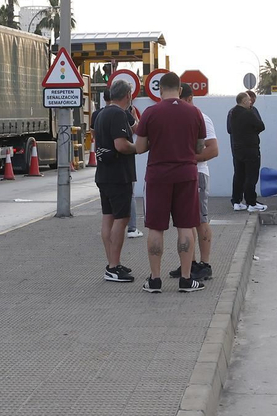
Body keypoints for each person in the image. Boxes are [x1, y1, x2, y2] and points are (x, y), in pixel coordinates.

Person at [130, 71, 206, 294]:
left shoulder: (151, 113)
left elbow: (141, 148)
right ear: (180, 90)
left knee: (156, 228)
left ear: (160, 90)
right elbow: (200, 148)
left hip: (157, 177)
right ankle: (185, 279)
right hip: (186, 175)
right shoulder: (194, 112)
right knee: (185, 227)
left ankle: (154, 280)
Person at [92, 78, 139, 282]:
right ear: (128, 96)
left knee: (108, 217)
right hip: (119, 175)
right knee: (121, 219)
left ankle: (112, 264)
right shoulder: (119, 114)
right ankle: (113, 266)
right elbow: (121, 145)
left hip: (104, 174)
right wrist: (137, 148)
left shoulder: (102, 114)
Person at [170, 83, 218, 281]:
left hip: (198, 174)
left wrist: (188, 158)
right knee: (185, 222)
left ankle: (205, 264)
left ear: (188, 99)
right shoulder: (176, 119)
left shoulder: (202, 118)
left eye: (180, 100)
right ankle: (190, 263)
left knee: (200, 220)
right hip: (181, 175)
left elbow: (213, 150)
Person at [226, 91, 264, 212]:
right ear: (243, 100)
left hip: (237, 148)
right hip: (250, 148)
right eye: (249, 100)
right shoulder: (249, 113)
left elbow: (230, 129)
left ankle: (236, 202)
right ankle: (251, 202)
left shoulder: (232, 112)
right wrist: (250, 131)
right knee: (251, 175)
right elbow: (261, 126)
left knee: (239, 174)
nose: (251, 102)